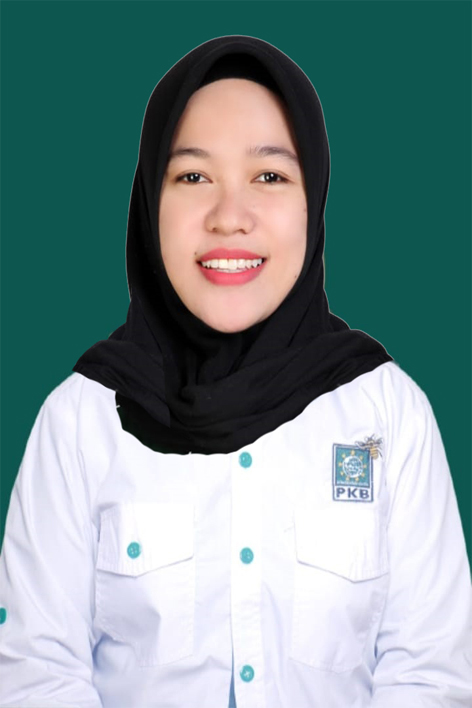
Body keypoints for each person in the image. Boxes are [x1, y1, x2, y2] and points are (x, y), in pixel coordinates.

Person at [0, 35, 470, 708]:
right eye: (193, 177)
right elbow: (37, 673)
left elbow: (429, 674)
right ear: (148, 202)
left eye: (269, 176)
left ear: (314, 199)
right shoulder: (81, 420)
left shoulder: (387, 415)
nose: (229, 217)